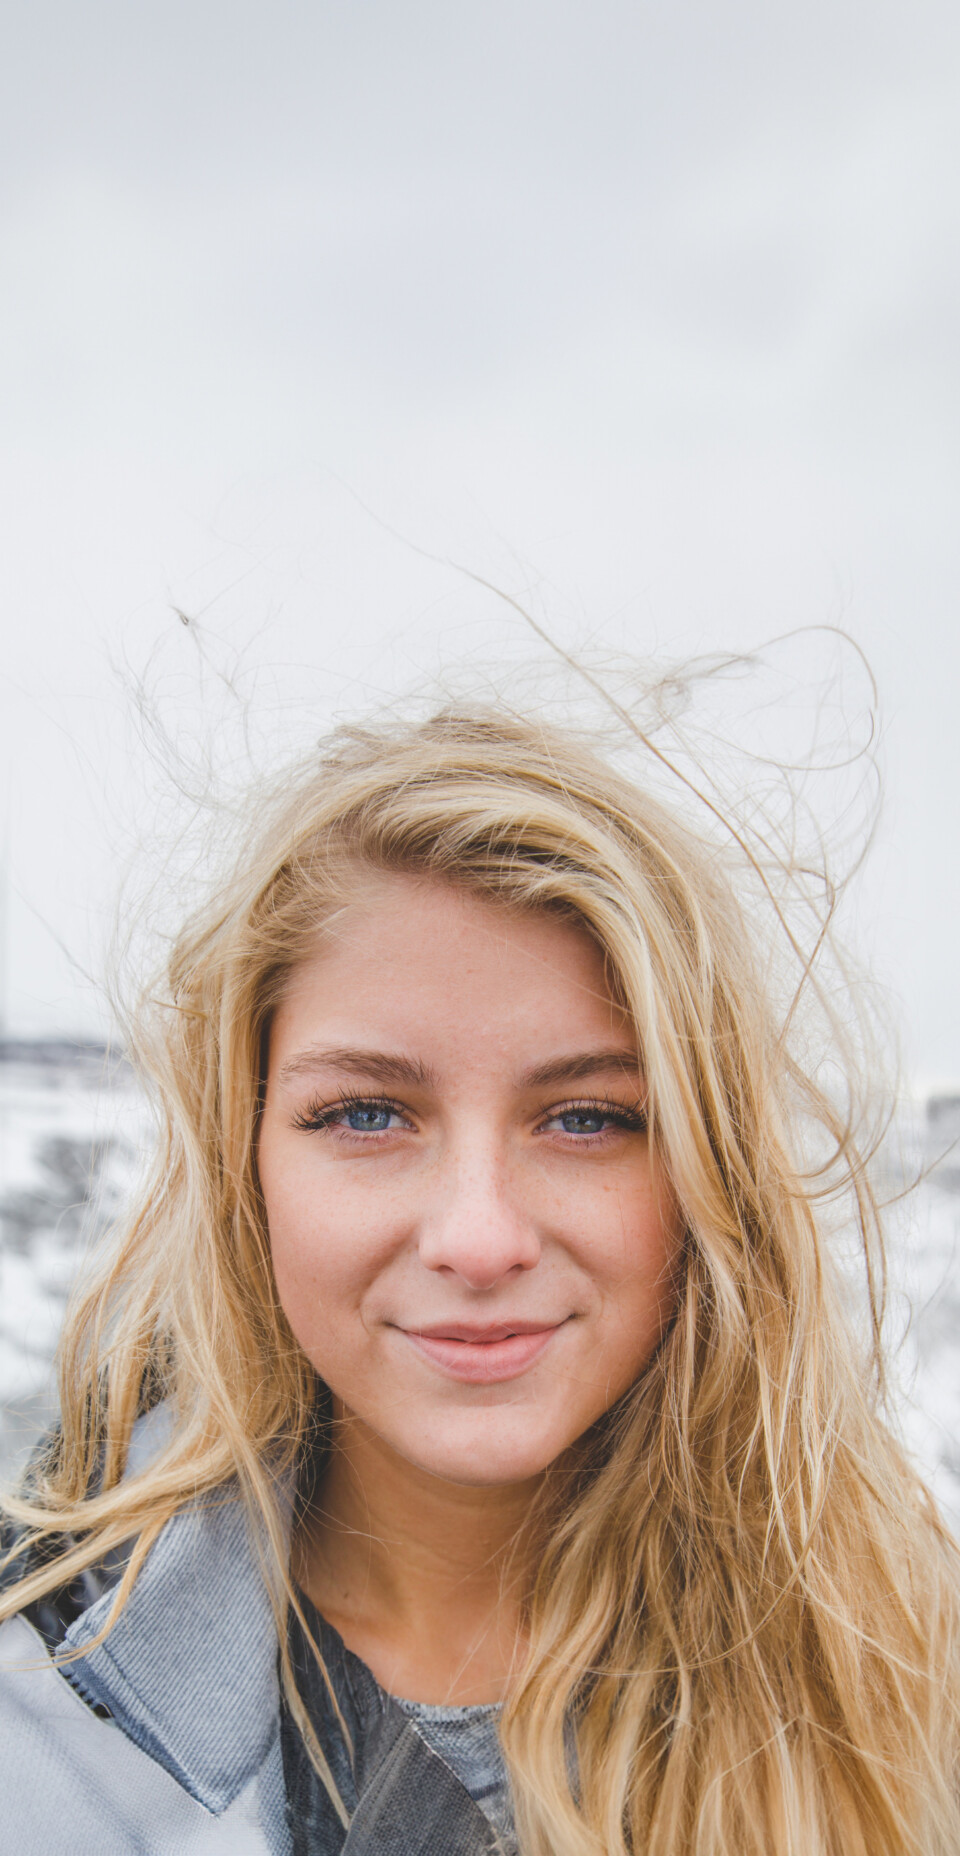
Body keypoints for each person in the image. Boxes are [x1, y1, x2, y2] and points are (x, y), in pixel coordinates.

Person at [1, 701, 958, 1855]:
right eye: (366, 1112)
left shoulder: (898, 1675)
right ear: (242, 1162)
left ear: (710, 1171)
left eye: (587, 1116)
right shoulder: (36, 1711)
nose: (479, 1236)